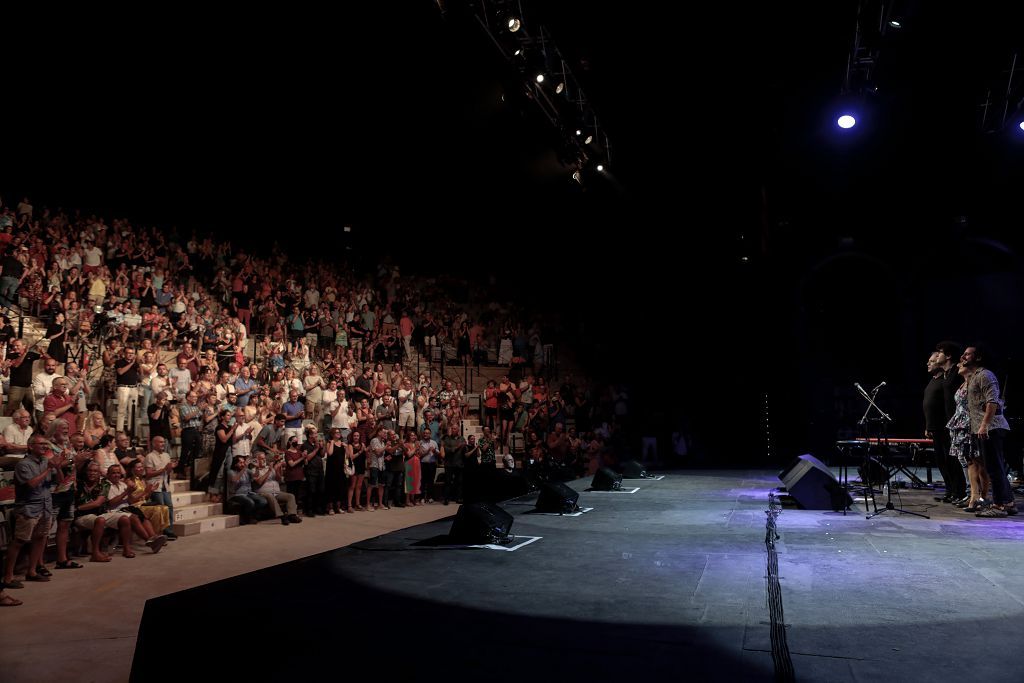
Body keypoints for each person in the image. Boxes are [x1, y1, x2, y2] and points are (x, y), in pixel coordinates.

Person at [962, 345, 1016, 517]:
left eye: (967, 354)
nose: (963, 357)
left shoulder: (985, 375)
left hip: (991, 427)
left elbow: (992, 402)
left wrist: (984, 425)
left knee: (994, 468)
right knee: (995, 467)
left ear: (978, 358)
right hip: (983, 428)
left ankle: (1000, 505)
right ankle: (1008, 502)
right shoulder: (975, 376)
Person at [2, 434, 61, 589]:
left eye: (46, 445)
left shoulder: (45, 462)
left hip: (45, 506)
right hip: (29, 507)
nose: (45, 447)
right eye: (41, 444)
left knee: (40, 538)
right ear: (30, 446)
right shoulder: (23, 465)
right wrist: (48, 468)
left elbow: (59, 482)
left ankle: (32, 571)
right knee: (19, 541)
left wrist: (58, 467)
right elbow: (31, 484)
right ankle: (8, 577)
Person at [926, 342, 965, 504]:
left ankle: (960, 491)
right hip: (937, 426)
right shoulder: (944, 376)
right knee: (942, 461)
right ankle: (951, 491)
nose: (929, 363)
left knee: (953, 461)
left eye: (936, 357)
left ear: (947, 355)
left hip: (949, 424)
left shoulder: (953, 374)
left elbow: (948, 404)